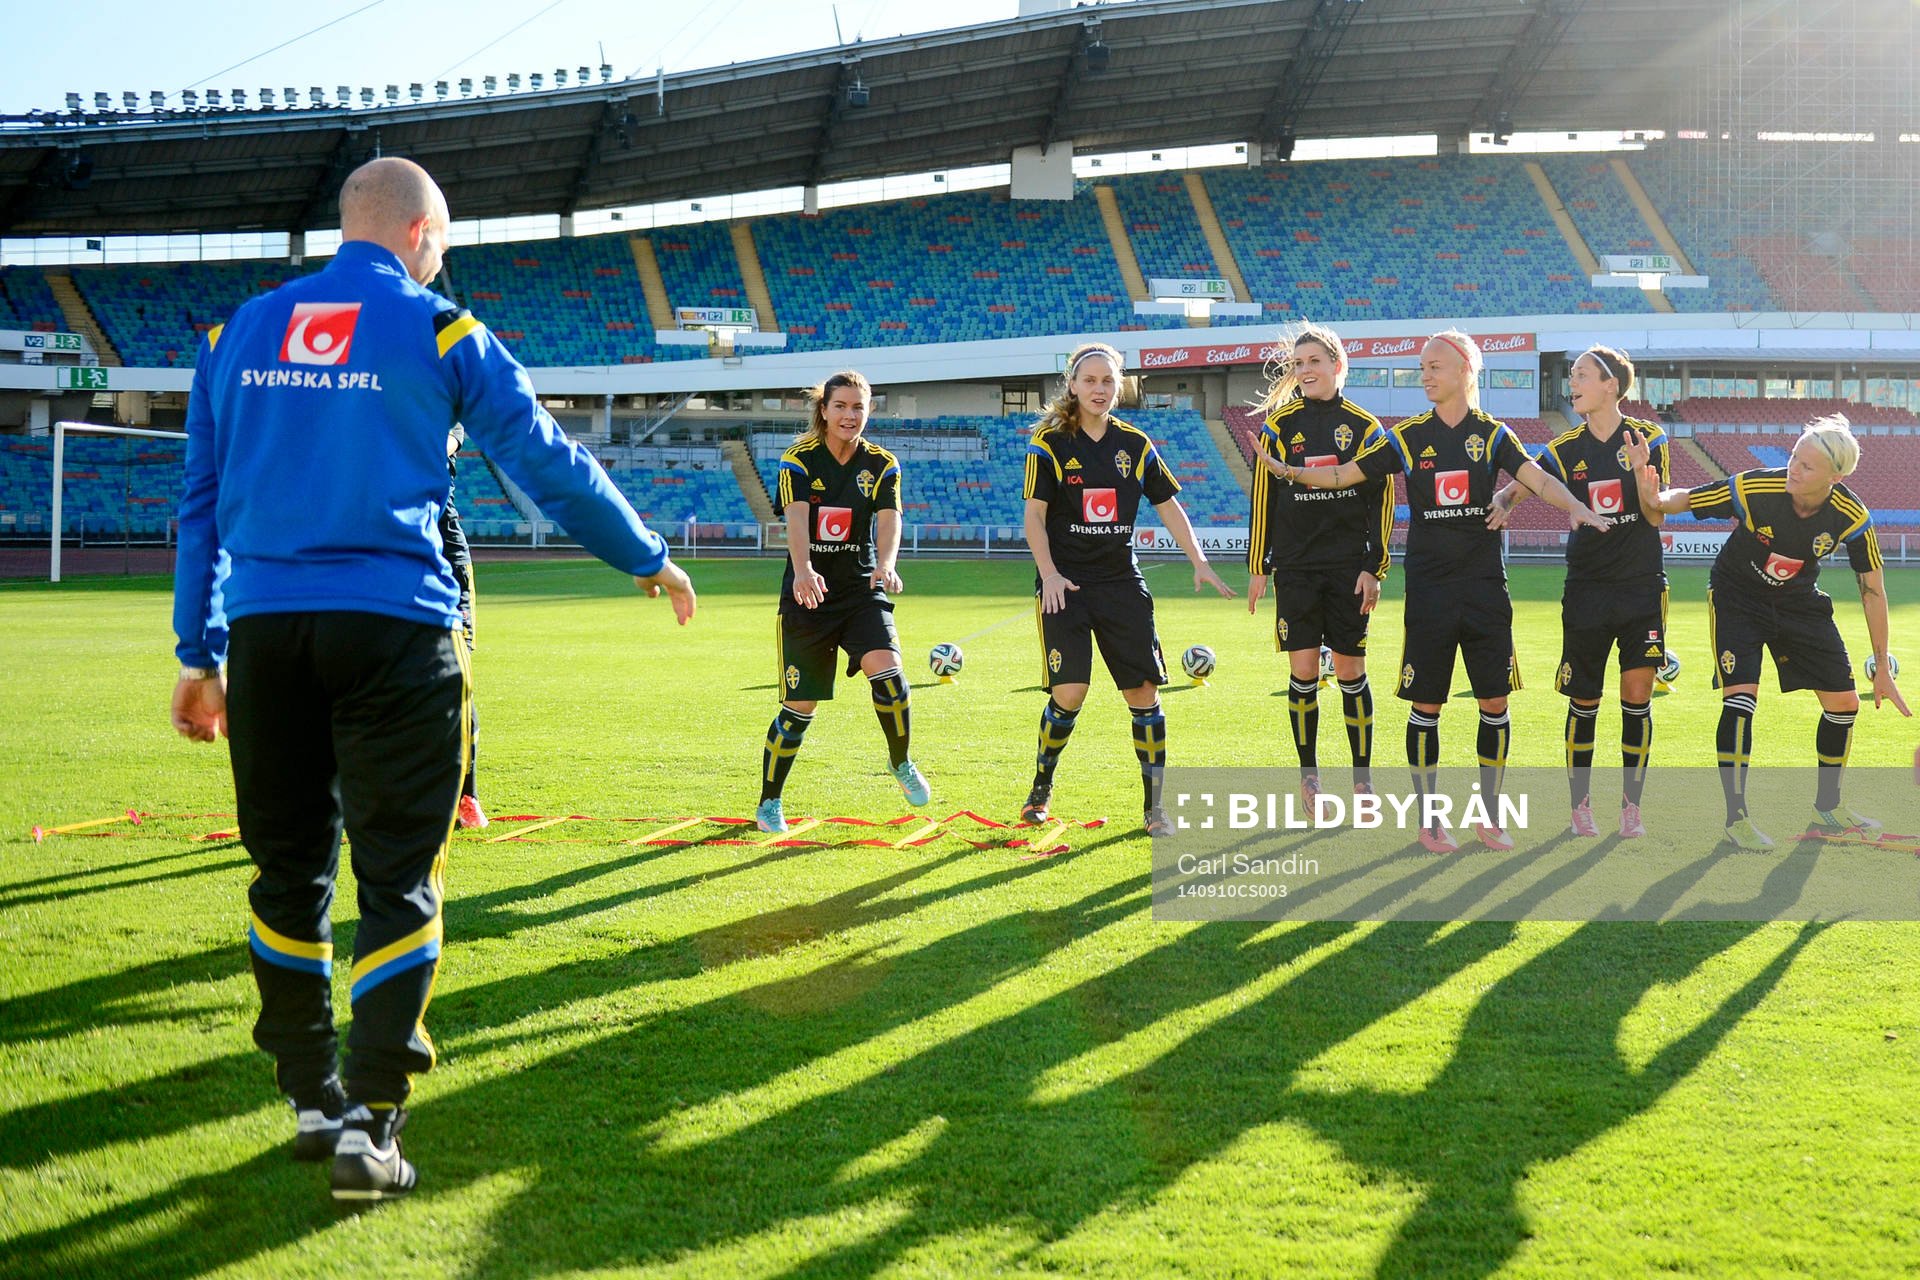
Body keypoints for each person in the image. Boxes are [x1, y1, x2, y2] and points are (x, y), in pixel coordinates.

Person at [169, 157, 695, 1204]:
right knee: (399, 873)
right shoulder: (444, 330)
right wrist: (646, 554)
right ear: (418, 232)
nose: (442, 257)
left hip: (269, 639)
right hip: (400, 634)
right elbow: (543, 459)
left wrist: (201, 649)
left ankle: (313, 1097)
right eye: (443, 242)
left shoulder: (231, 338)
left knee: (286, 874)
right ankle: (373, 1125)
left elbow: (201, 505)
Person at [1257, 330, 1606, 853]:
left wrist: (1573, 505)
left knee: (1493, 701)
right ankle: (1430, 821)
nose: (1425, 375)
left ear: (1466, 369)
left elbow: (1534, 477)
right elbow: (1352, 475)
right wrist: (1291, 472)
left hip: (1485, 587)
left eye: (1434, 366)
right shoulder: (1406, 436)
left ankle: (1489, 815)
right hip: (1429, 590)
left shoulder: (1492, 434)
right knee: (1427, 705)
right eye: (1422, 366)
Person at [1646, 414, 1910, 847]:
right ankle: (1737, 821)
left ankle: (1827, 810)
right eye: (1793, 457)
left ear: (1835, 477)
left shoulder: (1851, 516)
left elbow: (1873, 591)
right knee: (1741, 701)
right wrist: (1653, 495)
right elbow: (1685, 500)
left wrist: (1882, 665)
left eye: (1806, 466)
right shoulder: (1756, 487)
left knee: (1844, 704)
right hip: (1736, 598)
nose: (1793, 468)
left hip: (1798, 604)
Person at [1022, 341, 1235, 835]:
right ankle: (1040, 790)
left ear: (1120, 387)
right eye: (1090, 380)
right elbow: (1034, 516)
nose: (1099, 389)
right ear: (1072, 385)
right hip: (1065, 585)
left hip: (1120, 583)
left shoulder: (1135, 445)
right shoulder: (1049, 443)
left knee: (1143, 694)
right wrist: (1050, 573)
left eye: (1108, 381)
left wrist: (1199, 561)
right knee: (1069, 693)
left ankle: (1154, 809)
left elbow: (1168, 505)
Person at [1489, 346, 1668, 839]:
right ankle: (1579, 808)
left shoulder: (1650, 438)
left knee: (1637, 697)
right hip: (1587, 588)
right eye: (1571, 376)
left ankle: (1632, 808)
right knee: (1584, 701)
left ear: (1611, 385)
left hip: (1640, 587)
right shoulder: (1565, 448)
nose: (1573, 383)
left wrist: (1639, 475)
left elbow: (1655, 515)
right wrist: (1504, 499)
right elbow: (1529, 480)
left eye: (1582, 375)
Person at [758, 370, 930, 833]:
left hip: (859, 590)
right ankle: (770, 802)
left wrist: (887, 563)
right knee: (800, 709)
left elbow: (890, 518)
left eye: (859, 407)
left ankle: (900, 763)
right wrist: (803, 569)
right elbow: (795, 520)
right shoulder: (798, 460)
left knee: (892, 680)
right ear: (824, 410)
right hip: (807, 592)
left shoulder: (882, 464)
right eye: (841, 406)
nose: (850, 415)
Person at [1245, 323, 1392, 802]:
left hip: (1349, 567)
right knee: (1304, 671)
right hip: (1297, 567)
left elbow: (1381, 502)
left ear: (1337, 365)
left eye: (1314, 362)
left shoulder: (1367, 427)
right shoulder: (1279, 426)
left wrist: (1375, 567)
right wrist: (1258, 566)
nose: (1306, 371)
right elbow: (1263, 498)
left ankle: (1363, 779)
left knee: (1350, 672)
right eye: (1299, 364)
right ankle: (1309, 777)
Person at [442, 426, 485, 829]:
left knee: (459, 679)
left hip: (448, 561)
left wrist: (448, 438)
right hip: (389, 558)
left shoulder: (446, 416)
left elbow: (456, 429)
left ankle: (466, 795)